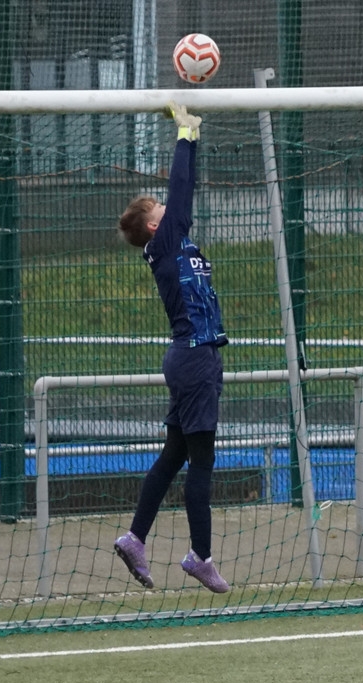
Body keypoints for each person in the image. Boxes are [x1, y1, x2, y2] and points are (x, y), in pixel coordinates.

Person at [113, 103, 229, 594]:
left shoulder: (174, 243)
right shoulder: (165, 243)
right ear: (154, 227)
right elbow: (182, 187)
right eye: (160, 209)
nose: (169, 207)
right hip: (194, 357)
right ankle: (200, 556)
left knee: (173, 455)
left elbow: (182, 193)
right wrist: (184, 135)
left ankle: (135, 538)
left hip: (193, 357)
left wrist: (193, 137)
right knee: (201, 462)